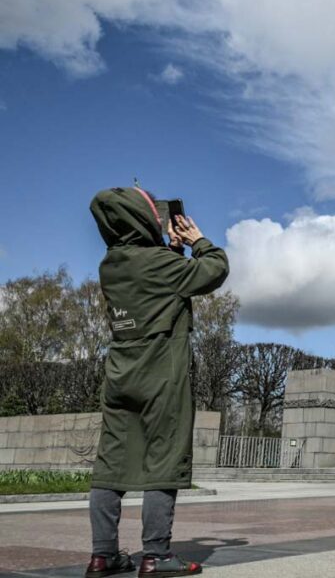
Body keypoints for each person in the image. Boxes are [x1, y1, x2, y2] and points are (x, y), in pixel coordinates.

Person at [86, 187, 228, 577]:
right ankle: (156, 555)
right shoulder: (161, 265)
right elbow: (215, 269)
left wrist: (172, 250)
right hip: (161, 372)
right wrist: (198, 241)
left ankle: (103, 556)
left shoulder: (111, 264)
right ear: (145, 220)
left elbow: (160, 285)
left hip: (120, 373)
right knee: (163, 461)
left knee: (111, 465)